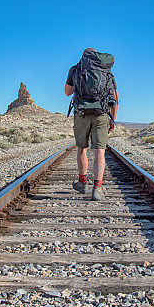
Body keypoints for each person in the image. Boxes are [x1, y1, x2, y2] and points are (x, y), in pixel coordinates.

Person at [65, 48, 119, 201]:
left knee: (82, 149)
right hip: (101, 114)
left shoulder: (75, 69)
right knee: (99, 152)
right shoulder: (106, 71)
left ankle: (82, 183)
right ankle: (97, 188)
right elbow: (115, 99)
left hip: (81, 113)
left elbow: (67, 92)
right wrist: (112, 120)